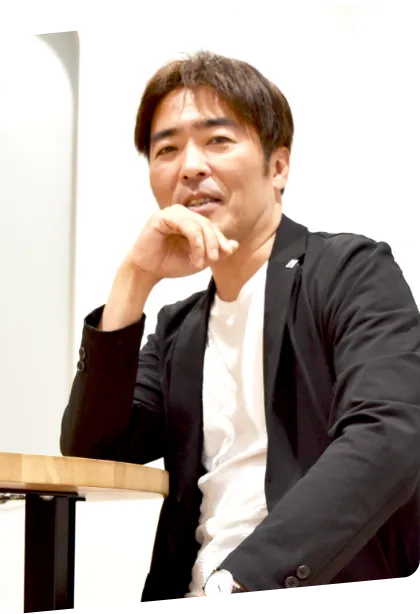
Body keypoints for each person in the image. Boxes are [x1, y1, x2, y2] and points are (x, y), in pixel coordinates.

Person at [60, 50, 420, 601]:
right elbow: (94, 446)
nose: (190, 166)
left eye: (218, 140)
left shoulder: (349, 272)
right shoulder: (180, 329)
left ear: (278, 168)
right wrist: (134, 278)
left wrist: (241, 580)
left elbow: (390, 434)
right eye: (167, 149)